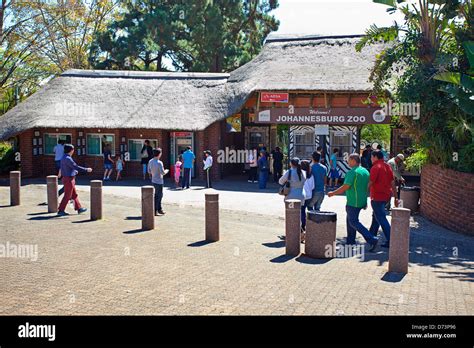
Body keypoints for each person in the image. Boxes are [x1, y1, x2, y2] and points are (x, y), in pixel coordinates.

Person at [327, 153, 378, 251]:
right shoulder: (365, 171)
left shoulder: (352, 172)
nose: (347, 161)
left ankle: (371, 239)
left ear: (354, 161)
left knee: (353, 221)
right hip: (361, 200)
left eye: (349, 160)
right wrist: (365, 201)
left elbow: (345, 186)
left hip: (353, 201)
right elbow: (367, 187)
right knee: (350, 219)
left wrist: (332, 193)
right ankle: (350, 240)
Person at [369, 150, 399, 248]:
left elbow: (370, 182)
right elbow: (392, 183)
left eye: (371, 157)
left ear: (375, 157)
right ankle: (370, 236)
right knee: (376, 217)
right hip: (386, 196)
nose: (371, 159)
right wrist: (396, 197)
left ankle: (391, 240)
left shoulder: (375, 167)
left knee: (381, 218)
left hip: (377, 196)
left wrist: (361, 194)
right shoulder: (387, 166)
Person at [57, 144, 92, 216]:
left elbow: (68, 168)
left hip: (68, 178)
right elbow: (75, 166)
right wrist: (86, 169)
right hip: (69, 179)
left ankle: (79, 208)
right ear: (71, 150)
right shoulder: (68, 158)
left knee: (74, 195)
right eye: (73, 149)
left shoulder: (64, 157)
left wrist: (74, 172)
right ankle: (61, 210)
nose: (73, 151)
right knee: (67, 195)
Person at [279, 157, 306, 239]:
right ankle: (300, 232)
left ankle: (292, 234)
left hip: (291, 196)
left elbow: (280, 181)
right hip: (301, 195)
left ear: (291, 164)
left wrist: (288, 181)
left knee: (290, 216)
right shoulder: (303, 172)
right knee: (299, 215)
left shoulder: (289, 172)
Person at [148, 148, 168, 216]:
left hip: (153, 180)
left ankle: (157, 209)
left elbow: (149, 171)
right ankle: (157, 209)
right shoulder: (159, 162)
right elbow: (162, 173)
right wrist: (166, 171)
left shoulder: (150, 161)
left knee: (156, 195)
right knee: (159, 196)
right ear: (159, 154)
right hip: (159, 181)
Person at [301, 160, 314, 235]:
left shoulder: (300, 174)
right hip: (309, 195)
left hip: (302, 195)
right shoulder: (311, 175)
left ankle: (303, 226)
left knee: (302, 211)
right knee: (309, 210)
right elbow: (313, 186)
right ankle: (311, 225)